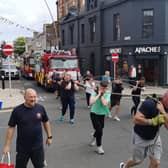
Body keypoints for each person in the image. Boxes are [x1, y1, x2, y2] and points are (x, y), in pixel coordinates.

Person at [2, 88, 52, 168]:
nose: (33, 99)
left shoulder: (40, 108)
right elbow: (11, 128)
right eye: (30, 97)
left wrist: (49, 136)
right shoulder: (17, 111)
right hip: (22, 148)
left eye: (34, 97)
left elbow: (46, 121)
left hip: (37, 148)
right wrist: (7, 145)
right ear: (24, 97)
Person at [120, 92, 168, 168]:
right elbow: (136, 119)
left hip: (155, 137)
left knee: (156, 163)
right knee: (137, 160)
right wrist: (152, 121)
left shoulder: (165, 110)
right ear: (165, 97)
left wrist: (163, 113)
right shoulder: (150, 104)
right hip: (141, 136)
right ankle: (124, 166)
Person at [89, 81, 110, 154]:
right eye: (102, 88)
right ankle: (99, 147)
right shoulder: (94, 92)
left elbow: (104, 104)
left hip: (102, 114)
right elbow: (91, 102)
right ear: (99, 86)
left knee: (99, 129)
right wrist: (98, 94)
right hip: (94, 113)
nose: (103, 90)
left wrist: (101, 96)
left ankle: (94, 136)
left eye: (105, 88)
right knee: (99, 130)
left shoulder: (107, 94)